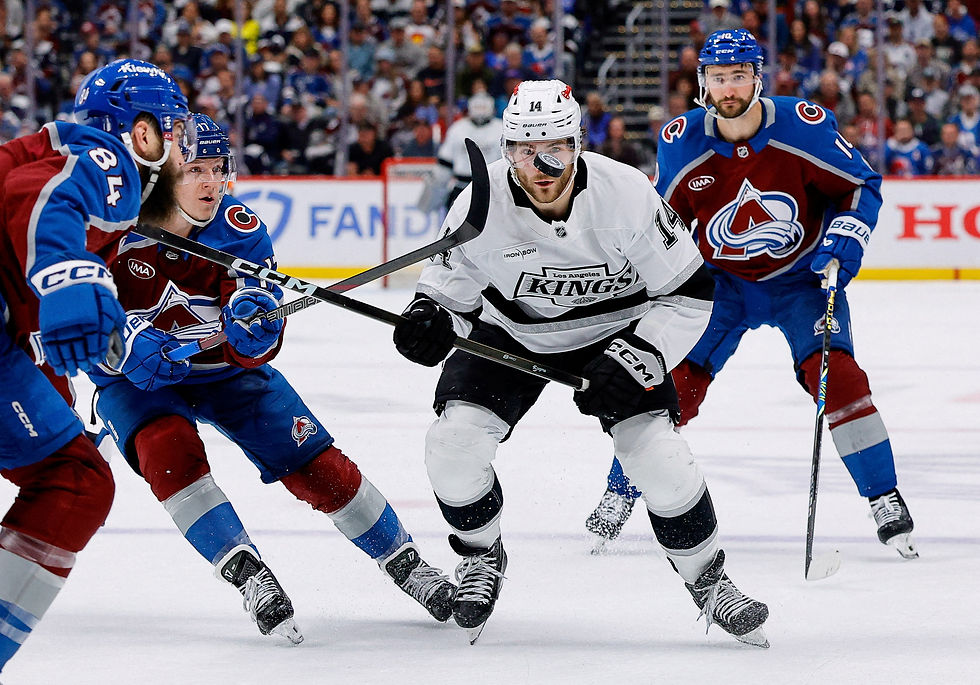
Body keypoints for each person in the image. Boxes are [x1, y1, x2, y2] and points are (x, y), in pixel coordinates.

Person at [391, 79, 770, 648]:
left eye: (556, 147)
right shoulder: (478, 204)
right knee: (452, 446)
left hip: (616, 336)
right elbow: (448, 298)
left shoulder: (627, 193)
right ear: (506, 148)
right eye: (525, 149)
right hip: (512, 334)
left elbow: (689, 293)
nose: (541, 166)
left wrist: (640, 355)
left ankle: (710, 581)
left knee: (660, 458)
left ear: (577, 144)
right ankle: (480, 555)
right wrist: (429, 322)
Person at [90, 114, 457, 643]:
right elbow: (69, 310)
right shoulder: (109, 226)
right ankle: (248, 574)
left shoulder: (238, 228)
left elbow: (259, 323)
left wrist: (253, 330)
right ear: (164, 172)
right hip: (137, 381)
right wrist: (121, 345)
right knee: (167, 450)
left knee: (314, 464)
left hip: (222, 374)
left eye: (218, 168)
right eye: (195, 170)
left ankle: (406, 563)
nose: (211, 183)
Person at [586, 30, 918, 561]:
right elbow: (662, 223)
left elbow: (859, 186)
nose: (729, 88)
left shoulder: (803, 126)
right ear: (703, 83)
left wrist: (846, 237)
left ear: (758, 79)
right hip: (720, 285)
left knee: (839, 378)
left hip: (800, 279)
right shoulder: (681, 142)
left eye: (739, 76)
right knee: (668, 385)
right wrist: (640, 282)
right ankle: (620, 491)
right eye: (719, 77)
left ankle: (883, 495)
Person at [0, 58, 193, 674]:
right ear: (141, 132)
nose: (180, 151)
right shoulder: (111, 162)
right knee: (74, 482)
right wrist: (70, 277)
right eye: (172, 132)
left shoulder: (73, 159)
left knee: (70, 469)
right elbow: (38, 198)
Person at [426, 91, 503, 212]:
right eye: (477, 107)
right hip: (461, 188)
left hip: (491, 189)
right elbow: (444, 164)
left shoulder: (501, 129)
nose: (480, 111)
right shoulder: (458, 129)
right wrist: (434, 194)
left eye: (483, 107)